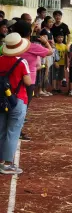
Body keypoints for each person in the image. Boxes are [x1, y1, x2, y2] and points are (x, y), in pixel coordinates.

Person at [12, 21, 52, 141]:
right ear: (29, 33)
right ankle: (17, 131)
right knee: (23, 107)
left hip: (12, 80)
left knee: (10, 105)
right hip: (28, 81)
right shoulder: (32, 46)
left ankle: (13, 129)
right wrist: (45, 42)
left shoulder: (10, 46)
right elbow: (50, 51)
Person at [0, 32, 31, 174]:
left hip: (1, 99)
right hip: (17, 99)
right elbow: (27, 82)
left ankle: (1, 160)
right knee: (13, 131)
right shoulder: (21, 62)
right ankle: (7, 164)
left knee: (2, 129)